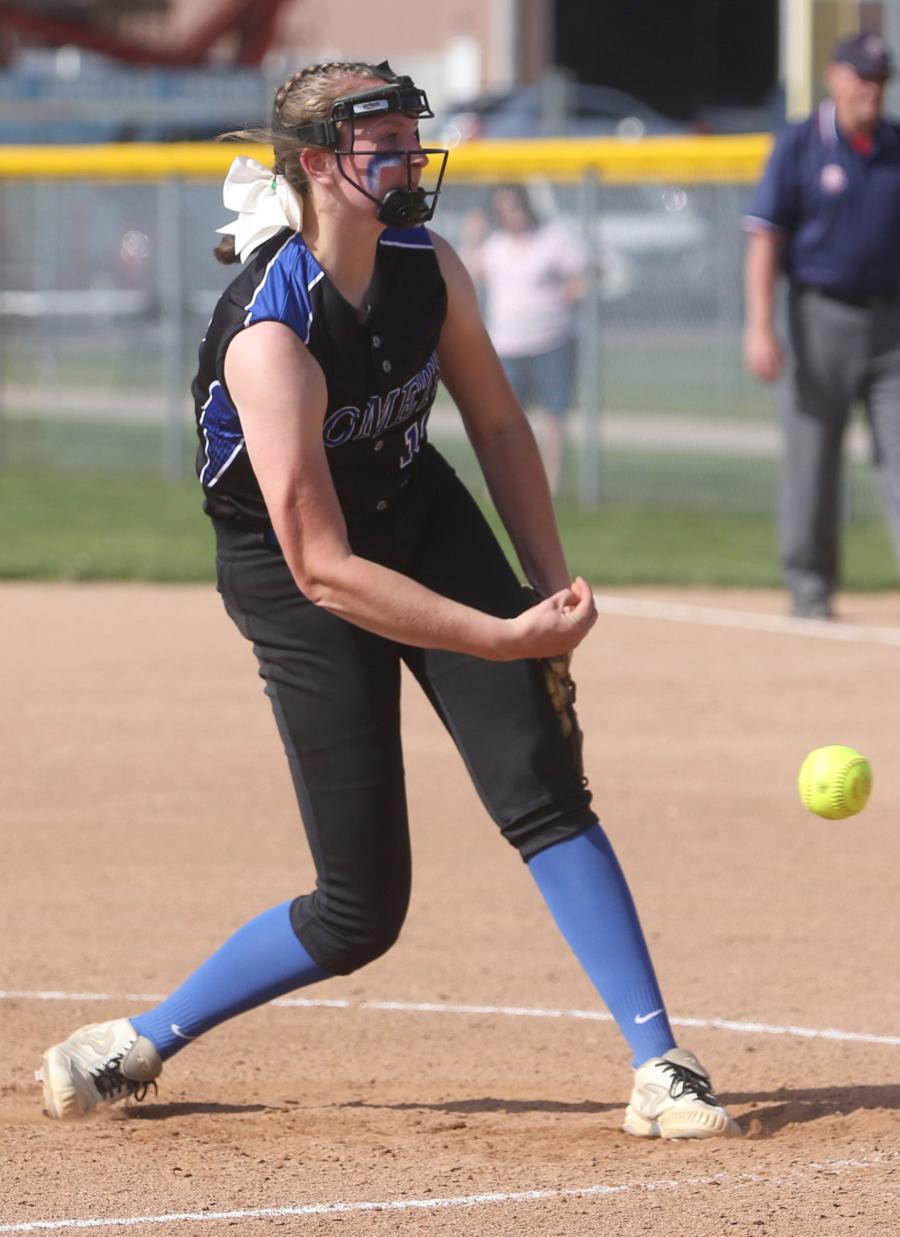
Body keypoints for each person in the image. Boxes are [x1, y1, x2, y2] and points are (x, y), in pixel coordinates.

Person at [38, 60, 738, 1142]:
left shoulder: (426, 262)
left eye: (415, 136)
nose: (411, 159)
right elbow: (320, 565)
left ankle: (662, 1062)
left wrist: (546, 584)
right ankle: (140, 1039)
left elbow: (499, 426)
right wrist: (500, 633)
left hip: (414, 504)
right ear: (318, 164)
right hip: (293, 575)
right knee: (361, 908)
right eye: (386, 145)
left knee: (542, 779)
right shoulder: (270, 336)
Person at [742, 31, 900, 622]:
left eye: (881, 79)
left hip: (892, 318)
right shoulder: (800, 144)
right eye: (862, 76)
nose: (871, 88)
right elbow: (765, 238)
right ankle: (810, 586)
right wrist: (760, 325)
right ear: (835, 77)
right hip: (818, 315)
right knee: (812, 457)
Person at [461, 183, 587, 494]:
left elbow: (585, 269)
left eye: (514, 207)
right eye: (502, 209)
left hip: (552, 341)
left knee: (553, 417)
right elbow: (464, 274)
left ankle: (550, 488)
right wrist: (472, 237)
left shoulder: (551, 238)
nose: (509, 215)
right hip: (507, 345)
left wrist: (578, 287)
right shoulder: (495, 246)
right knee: (504, 420)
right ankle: (507, 487)